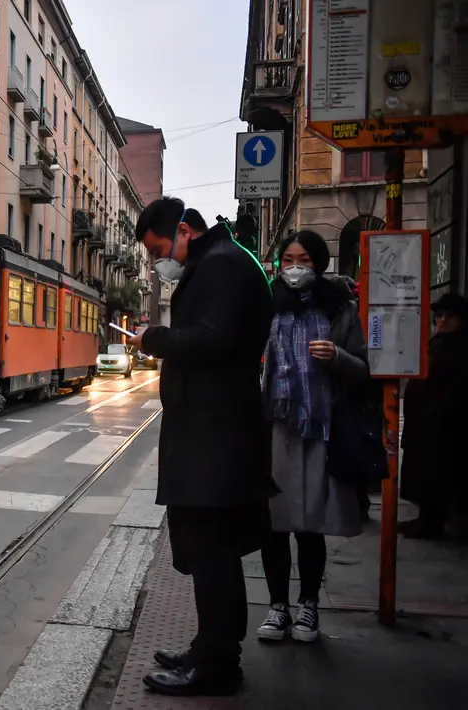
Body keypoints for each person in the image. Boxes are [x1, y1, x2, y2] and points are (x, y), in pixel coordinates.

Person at [124, 196, 275, 696]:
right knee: (210, 552)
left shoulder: (223, 266)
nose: (157, 260)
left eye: (160, 248)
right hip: (209, 430)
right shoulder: (217, 262)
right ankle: (208, 648)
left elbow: (214, 338)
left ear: (186, 230)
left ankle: (217, 667)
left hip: (217, 435)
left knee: (214, 554)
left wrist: (154, 339)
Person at [257, 231, 369, 644]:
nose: (295, 267)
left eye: (303, 258)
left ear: (318, 262)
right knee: (274, 523)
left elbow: (363, 368)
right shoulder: (266, 304)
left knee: (310, 525)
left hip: (320, 427)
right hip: (275, 426)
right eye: (288, 259)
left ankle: (308, 606)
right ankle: (277, 606)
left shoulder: (339, 306)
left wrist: (336, 357)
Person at [398, 292, 468, 539]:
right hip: (426, 420)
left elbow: (456, 387)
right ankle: (425, 518)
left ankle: (433, 521)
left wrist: (436, 411)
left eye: (450, 317)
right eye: (439, 316)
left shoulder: (460, 347)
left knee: (436, 474)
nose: (443, 321)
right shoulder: (439, 342)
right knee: (424, 471)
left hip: (442, 423)